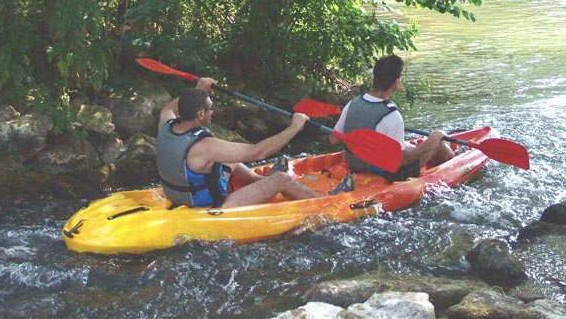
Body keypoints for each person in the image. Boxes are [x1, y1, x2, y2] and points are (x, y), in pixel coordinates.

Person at [156, 78, 319, 208]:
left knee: (228, 158)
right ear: (200, 114)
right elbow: (258, 152)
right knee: (282, 179)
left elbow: (169, 108)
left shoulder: (166, 124)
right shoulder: (206, 146)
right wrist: (295, 127)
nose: (213, 112)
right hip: (211, 208)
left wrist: (198, 90)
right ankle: (326, 202)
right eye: (211, 108)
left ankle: (256, 179)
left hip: (176, 196)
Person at [330, 54, 453, 181]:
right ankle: (449, 161)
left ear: (375, 77)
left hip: (354, 164)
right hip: (383, 173)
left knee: (425, 143)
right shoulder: (392, 115)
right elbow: (399, 160)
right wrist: (427, 144)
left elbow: (333, 139)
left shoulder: (353, 103)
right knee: (440, 139)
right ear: (396, 83)